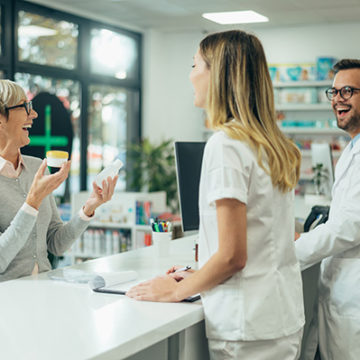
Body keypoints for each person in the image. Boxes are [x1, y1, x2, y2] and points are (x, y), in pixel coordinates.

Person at [127, 30, 305, 359]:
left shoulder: (226, 145)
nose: (190, 75)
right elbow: (258, 238)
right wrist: (203, 270)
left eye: (195, 65)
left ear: (217, 75)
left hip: (245, 324)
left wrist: (175, 290)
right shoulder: (273, 146)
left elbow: (233, 257)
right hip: (279, 316)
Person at [0, 79, 118, 281]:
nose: (34, 114)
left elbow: (56, 243)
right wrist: (32, 202)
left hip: (46, 290)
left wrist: (88, 208)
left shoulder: (38, 167)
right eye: (25, 107)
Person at [295, 59, 360, 360]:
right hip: (342, 296)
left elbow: (348, 226)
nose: (337, 99)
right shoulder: (350, 150)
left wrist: (289, 250)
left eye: (348, 91)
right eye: (333, 92)